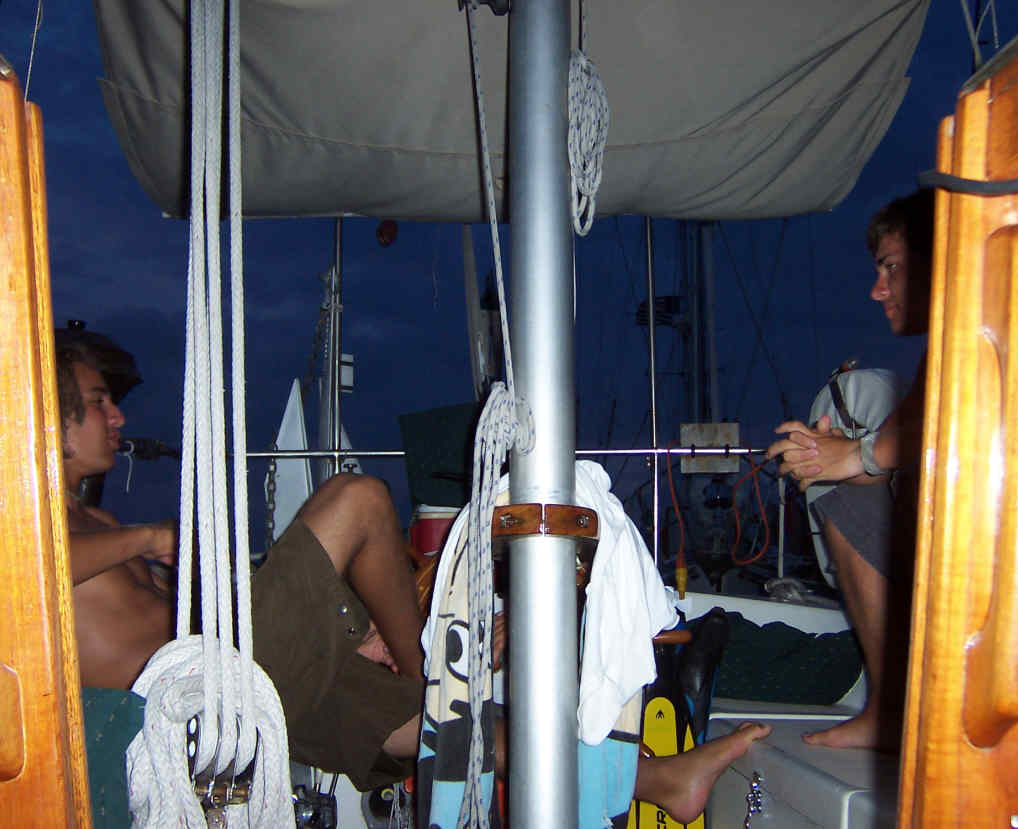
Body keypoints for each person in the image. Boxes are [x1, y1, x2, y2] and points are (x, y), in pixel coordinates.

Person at [57, 330, 769, 818]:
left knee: (453, 724)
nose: (116, 416)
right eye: (96, 402)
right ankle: (430, 657)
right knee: (358, 500)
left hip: (242, 681)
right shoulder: (26, 530)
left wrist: (342, 631)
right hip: (193, 704)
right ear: (45, 413)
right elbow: (29, 587)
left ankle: (659, 780)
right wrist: (147, 536)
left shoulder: (91, 522)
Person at [768, 190, 934, 751]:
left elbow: (931, 435)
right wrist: (843, 458)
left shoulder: (970, 342)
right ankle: (890, 707)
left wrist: (855, 456)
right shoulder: (940, 355)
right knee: (838, 489)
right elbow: (912, 458)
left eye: (891, 268)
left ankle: (899, 710)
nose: (876, 290)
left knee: (841, 485)